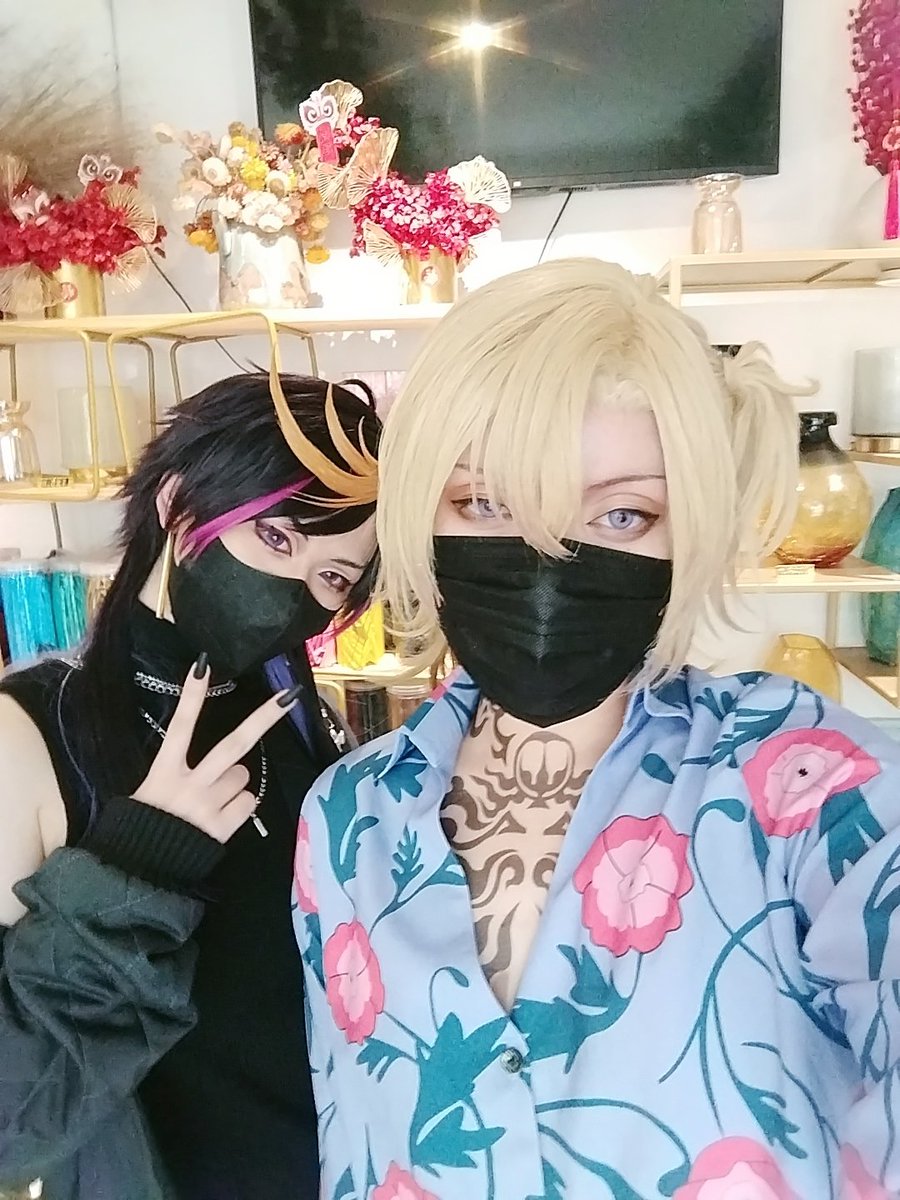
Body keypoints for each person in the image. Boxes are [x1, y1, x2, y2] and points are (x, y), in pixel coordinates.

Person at [295, 259, 900, 1200]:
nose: (546, 562)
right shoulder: (346, 819)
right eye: (484, 503)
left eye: (623, 513)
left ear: (687, 530)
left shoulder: (813, 794)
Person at [0, 371, 380, 1200]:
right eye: (276, 537)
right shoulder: (25, 735)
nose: (295, 590)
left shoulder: (300, 720)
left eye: (334, 576)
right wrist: (138, 868)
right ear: (178, 505)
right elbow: (10, 1118)